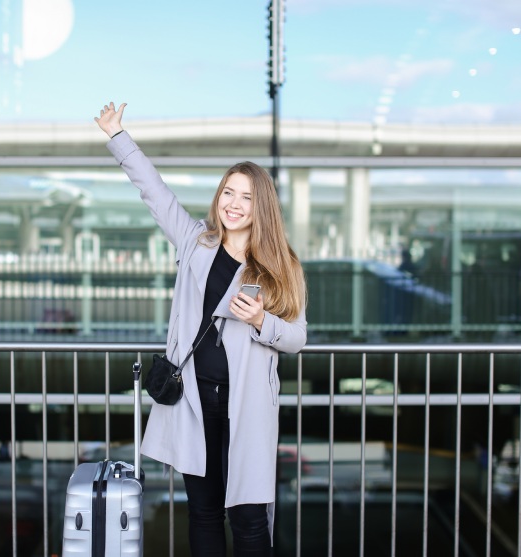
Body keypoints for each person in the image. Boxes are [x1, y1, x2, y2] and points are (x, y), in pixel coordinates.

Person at [95, 102, 307, 556]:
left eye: (246, 197)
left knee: (249, 518)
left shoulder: (281, 266)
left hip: (246, 407)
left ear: (261, 206)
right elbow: (154, 192)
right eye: (228, 193)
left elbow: (296, 337)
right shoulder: (195, 241)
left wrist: (260, 321)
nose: (233, 204)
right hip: (194, 399)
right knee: (204, 512)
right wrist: (118, 137)